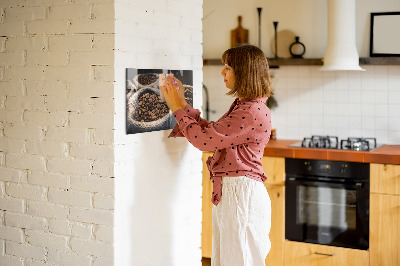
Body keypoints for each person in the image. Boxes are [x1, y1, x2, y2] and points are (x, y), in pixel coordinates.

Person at [161, 44, 273, 266]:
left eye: (228, 67)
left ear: (244, 72)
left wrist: (176, 107)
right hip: (236, 193)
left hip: (241, 195)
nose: (222, 72)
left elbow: (204, 141)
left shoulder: (250, 111)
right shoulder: (246, 106)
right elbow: (212, 133)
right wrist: (182, 103)